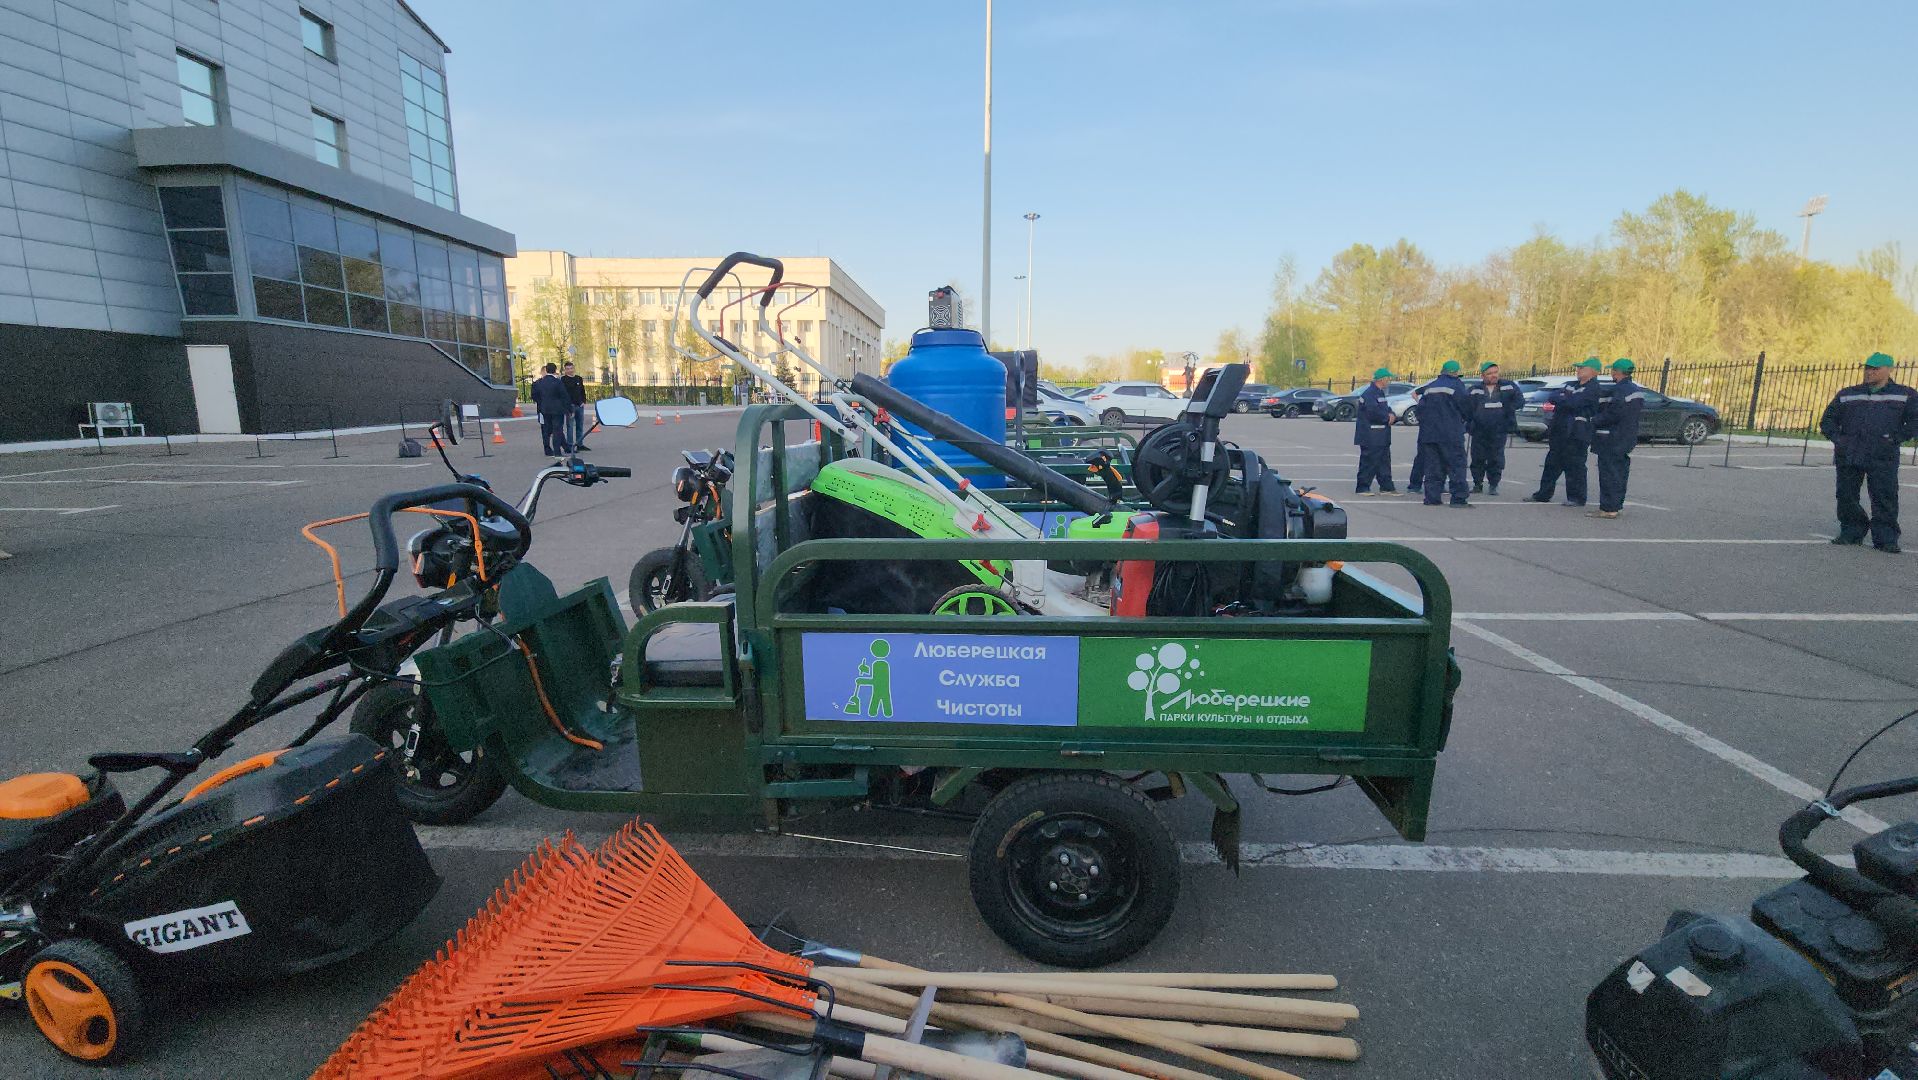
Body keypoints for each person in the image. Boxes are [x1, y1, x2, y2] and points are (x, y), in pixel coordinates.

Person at [1820, 351, 1917, 553]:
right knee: (1846, 495)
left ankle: (1886, 538)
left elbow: (1915, 420)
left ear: (1888, 370)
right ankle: (1851, 531)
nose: (1869, 372)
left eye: (1875, 369)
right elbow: (1828, 420)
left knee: (1884, 496)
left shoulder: (1905, 395)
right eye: (1867, 368)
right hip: (1849, 453)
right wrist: (1839, 440)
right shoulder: (1848, 394)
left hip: (1883, 454)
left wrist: (1895, 438)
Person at [1528, 358, 1602, 505]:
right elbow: (1553, 396)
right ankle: (1543, 494)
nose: (1578, 370)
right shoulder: (1571, 384)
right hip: (1560, 430)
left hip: (1577, 432)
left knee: (1575, 465)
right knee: (1551, 464)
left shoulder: (1593, 388)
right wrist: (1565, 399)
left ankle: (1576, 497)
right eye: (1578, 367)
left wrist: (1565, 399)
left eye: (1582, 368)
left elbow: (1575, 403)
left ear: (1593, 371)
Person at [1588, 358, 1645, 519]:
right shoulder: (1636, 390)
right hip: (1627, 436)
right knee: (1620, 472)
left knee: (1609, 473)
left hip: (1611, 437)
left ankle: (1608, 508)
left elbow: (1613, 413)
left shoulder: (1618, 391)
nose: (1611, 373)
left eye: (1613, 370)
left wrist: (1594, 420)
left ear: (1617, 372)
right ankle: (1617, 505)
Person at [1416, 360, 1473, 507]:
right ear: (1456, 373)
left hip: (1429, 434)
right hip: (1451, 433)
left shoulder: (1430, 387)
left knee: (1433, 467)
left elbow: (1420, 411)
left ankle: (1432, 497)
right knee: (1456, 466)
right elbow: (1466, 407)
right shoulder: (1456, 386)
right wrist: (1466, 421)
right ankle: (1458, 498)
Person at [1466, 361, 1524, 495]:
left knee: (1496, 458)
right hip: (1479, 430)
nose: (1494, 376)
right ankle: (1477, 484)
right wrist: (1471, 420)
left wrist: (1507, 410)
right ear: (1482, 376)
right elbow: (1466, 406)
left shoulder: (1508, 386)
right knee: (1478, 458)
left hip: (1499, 430)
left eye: (1496, 372)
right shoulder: (1475, 389)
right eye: (1490, 373)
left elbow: (1520, 401)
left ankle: (1494, 484)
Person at [1353, 367, 1399, 495]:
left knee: (1384, 462)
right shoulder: (1370, 394)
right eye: (1388, 378)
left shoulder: (1379, 393)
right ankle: (1362, 487)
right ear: (1382, 379)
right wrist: (1387, 418)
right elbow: (1373, 412)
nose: (1389, 381)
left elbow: (1386, 408)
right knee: (1369, 461)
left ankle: (1386, 487)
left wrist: (1392, 415)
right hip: (1371, 435)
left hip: (1381, 435)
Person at [530, 362, 570, 456]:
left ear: (546, 370)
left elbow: (534, 395)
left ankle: (547, 448)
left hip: (544, 409)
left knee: (546, 430)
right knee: (557, 430)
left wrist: (542, 403)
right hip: (557, 410)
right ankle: (557, 451)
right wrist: (568, 408)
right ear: (555, 370)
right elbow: (564, 395)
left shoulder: (539, 383)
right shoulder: (558, 382)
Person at [561, 361, 590, 451]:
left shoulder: (578, 378)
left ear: (574, 368)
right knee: (570, 426)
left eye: (571, 368)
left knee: (580, 425)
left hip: (580, 405)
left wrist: (583, 401)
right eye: (567, 369)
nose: (570, 370)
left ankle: (579, 444)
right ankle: (570, 445)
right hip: (570, 406)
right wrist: (568, 406)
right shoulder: (563, 380)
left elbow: (582, 390)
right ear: (565, 370)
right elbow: (565, 394)